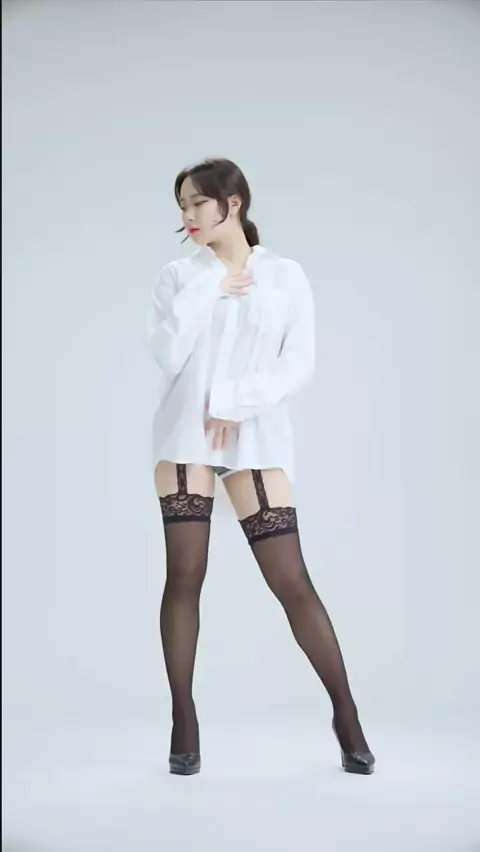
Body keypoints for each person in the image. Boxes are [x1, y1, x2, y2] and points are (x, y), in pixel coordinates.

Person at [147, 157, 375, 777]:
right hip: (185, 438)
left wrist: (234, 402)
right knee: (185, 577)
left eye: (197, 203)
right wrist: (210, 289)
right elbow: (168, 354)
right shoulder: (178, 276)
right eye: (182, 206)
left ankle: (347, 714)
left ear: (234, 203)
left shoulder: (284, 275)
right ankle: (184, 718)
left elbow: (298, 362)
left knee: (291, 580)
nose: (188, 216)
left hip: (255, 436)